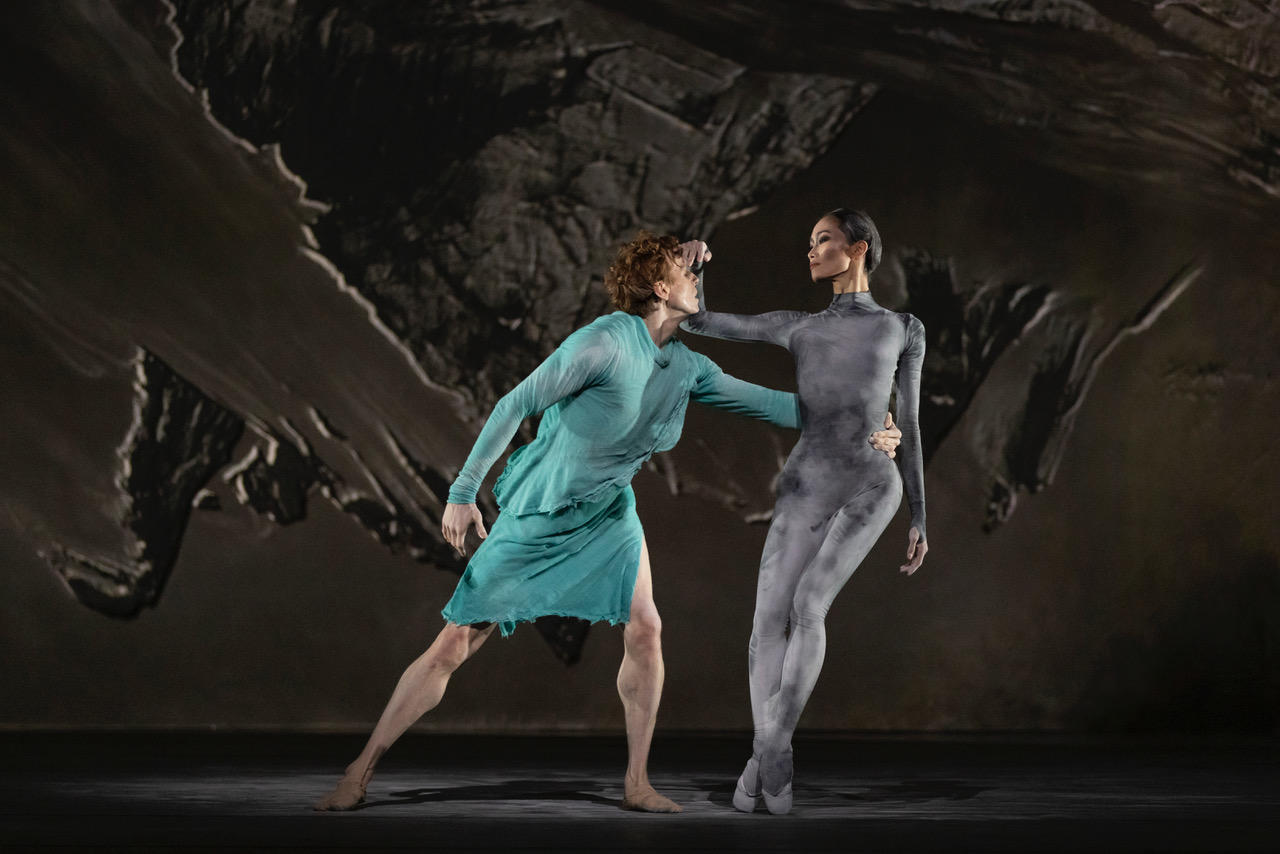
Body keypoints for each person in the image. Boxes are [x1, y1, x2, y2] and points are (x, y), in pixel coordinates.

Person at [314, 230, 901, 814]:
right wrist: (463, 492)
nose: (697, 279)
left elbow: (786, 407)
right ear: (655, 286)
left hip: (609, 513)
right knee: (455, 644)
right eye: (685, 272)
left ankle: (637, 783)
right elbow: (515, 403)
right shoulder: (603, 343)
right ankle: (359, 770)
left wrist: (872, 421)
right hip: (538, 514)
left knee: (646, 630)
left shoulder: (688, 368)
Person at [680, 208, 928, 815]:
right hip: (804, 483)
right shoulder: (798, 327)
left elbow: (912, 423)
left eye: (822, 240)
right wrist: (695, 266)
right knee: (766, 623)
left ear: (859, 248)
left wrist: (921, 513)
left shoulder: (903, 327)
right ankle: (767, 755)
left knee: (808, 605)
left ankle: (774, 749)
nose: (810, 251)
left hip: (872, 483)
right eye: (809, 241)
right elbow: (702, 321)